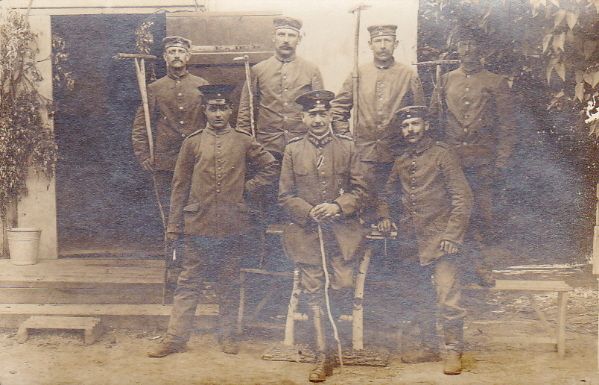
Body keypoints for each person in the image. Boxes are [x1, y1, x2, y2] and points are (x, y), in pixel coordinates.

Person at [148, 84, 278, 358]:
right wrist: (174, 226)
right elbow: (179, 185)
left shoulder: (243, 140)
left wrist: (247, 187)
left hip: (232, 225)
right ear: (205, 111)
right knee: (188, 282)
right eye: (212, 108)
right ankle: (175, 338)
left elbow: (270, 166)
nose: (218, 114)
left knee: (228, 282)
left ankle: (228, 335)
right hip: (198, 225)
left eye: (223, 108)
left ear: (230, 110)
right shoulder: (192, 142)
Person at [279, 90, 369, 382]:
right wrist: (307, 212)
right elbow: (285, 196)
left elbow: (362, 192)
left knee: (342, 284)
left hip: (342, 233)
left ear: (331, 115)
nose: (317, 120)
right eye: (311, 114)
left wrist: (337, 206)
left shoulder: (348, 147)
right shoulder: (292, 150)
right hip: (306, 235)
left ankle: (331, 338)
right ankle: (323, 354)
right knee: (314, 289)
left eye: (322, 113)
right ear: (303, 118)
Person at [377, 106, 473, 375]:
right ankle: (429, 347)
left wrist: (453, 236)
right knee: (418, 295)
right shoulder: (402, 160)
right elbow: (385, 195)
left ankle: (453, 350)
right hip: (412, 240)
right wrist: (385, 217)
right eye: (406, 125)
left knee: (448, 297)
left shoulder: (442, 155)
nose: (410, 130)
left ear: (427, 125)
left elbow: (462, 198)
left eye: (415, 124)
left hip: (442, 240)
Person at [430, 25, 516, 285]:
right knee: (450, 212)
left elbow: (507, 126)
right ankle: (450, 270)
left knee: (481, 213)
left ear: (482, 50)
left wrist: (500, 160)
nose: (467, 50)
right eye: (462, 44)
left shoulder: (496, 81)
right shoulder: (446, 80)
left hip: (482, 161)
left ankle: (481, 266)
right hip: (451, 161)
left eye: (472, 44)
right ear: (457, 48)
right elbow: (434, 120)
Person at [330, 24, 424, 223]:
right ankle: (367, 252)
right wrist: (346, 137)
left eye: (387, 40)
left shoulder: (408, 75)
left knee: (397, 203)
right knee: (364, 202)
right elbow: (338, 108)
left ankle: (395, 251)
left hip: (398, 153)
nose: (383, 46)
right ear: (370, 44)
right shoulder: (358, 74)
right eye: (378, 41)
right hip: (364, 154)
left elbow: (420, 115)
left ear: (395, 44)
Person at [132, 36, 209, 219]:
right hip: (165, 159)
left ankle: (190, 246)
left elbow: (211, 122)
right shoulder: (154, 88)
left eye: (181, 51)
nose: (176, 55)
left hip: (196, 157)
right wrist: (143, 155)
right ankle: (171, 245)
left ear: (188, 56)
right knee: (168, 207)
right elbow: (141, 126)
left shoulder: (201, 85)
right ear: (165, 57)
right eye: (172, 51)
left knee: (195, 204)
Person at [236, 16, 324, 160]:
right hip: (267, 147)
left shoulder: (311, 70)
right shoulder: (258, 70)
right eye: (281, 34)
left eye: (291, 35)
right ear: (273, 38)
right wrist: (246, 145)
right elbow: (245, 112)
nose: (286, 40)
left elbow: (320, 110)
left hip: (302, 145)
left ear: (299, 40)